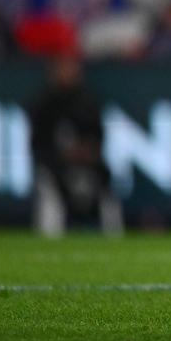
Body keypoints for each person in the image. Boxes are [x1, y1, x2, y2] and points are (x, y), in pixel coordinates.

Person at [29, 53, 123, 237]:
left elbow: (97, 134)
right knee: (50, 187)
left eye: (71, 68)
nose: (68, 73)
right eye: (63, 68)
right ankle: (50, 237)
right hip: (54, 163)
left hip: (85, 162)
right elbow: (37, 141)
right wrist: (59, 154)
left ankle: (113, 235)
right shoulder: (43, 102)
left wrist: (87, 150)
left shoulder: (86, 100)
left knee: (105, 178)